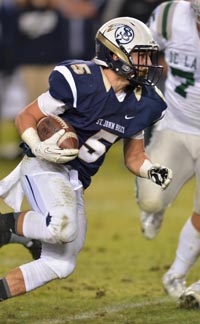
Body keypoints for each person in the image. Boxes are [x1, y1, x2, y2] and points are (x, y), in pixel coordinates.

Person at [0, 17, 172, 301]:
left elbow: (135, 156)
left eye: (148, 56)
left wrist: (151, 169)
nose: (146, 63)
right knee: (62, 226)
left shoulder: (145, 101)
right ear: (115, 55)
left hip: (76, 178)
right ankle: (9, 225)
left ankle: (18, 244)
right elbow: (26, 116)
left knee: (62, 263)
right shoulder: (82, 80)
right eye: (140, 55)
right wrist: (38, 147)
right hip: (45, 163)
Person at [136, 0, 200, 308]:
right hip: (175, 125)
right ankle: (157, 205)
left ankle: (176, 275)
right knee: (150, 198)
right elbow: (141, 48)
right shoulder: (170, 15)